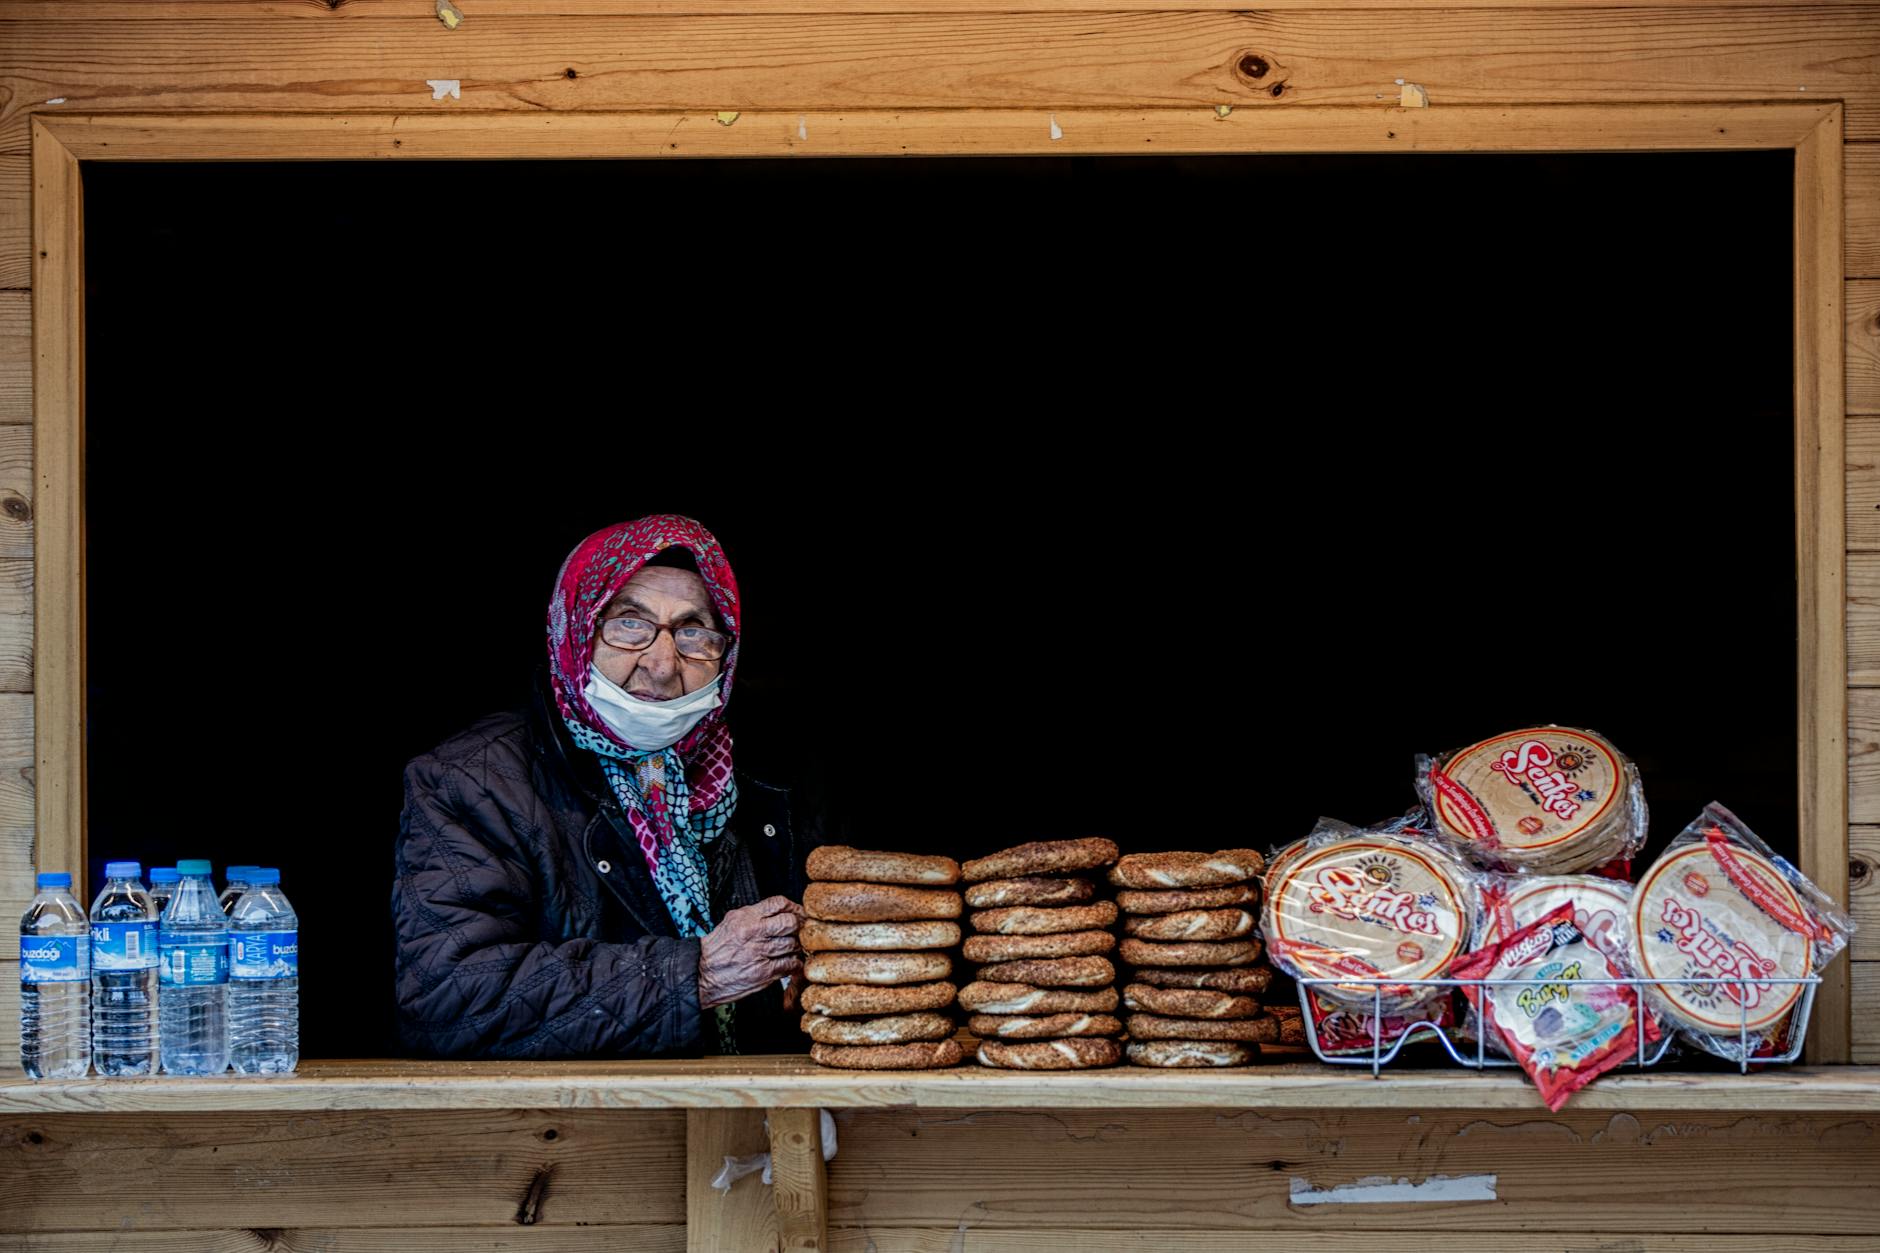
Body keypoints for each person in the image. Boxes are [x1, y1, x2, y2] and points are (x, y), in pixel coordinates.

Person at [392, 514, 830, 1058]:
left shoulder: (769, 773)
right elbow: (450, 999)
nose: (663, 664)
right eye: (629, 623)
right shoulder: (473, 781)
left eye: (694, 632)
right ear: (575, 629)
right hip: (578, 1132)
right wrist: (695, 976)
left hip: (764, 1122)